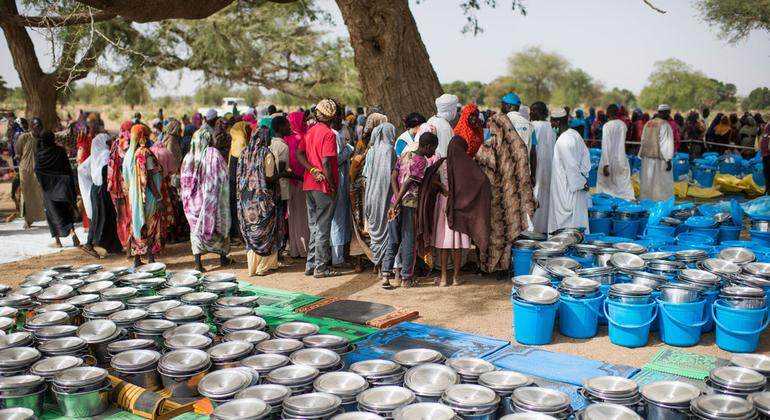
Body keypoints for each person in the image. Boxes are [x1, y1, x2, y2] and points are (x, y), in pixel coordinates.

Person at [424, 135, 491, 287]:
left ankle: (442, 279)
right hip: (460, 206)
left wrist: (442, 187)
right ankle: (455, 278)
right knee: (457, 243)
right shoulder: (466, 164)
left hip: (443, 204)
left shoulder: (441, 163)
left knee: (444, 243)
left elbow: (429, 177)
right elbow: (481, 180)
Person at [476, 113, 536, 278]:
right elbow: (525, 175)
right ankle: (505, 266)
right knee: (510, 232)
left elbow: (483, 172)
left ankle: (489, 265)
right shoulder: (520, 146)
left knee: (493, 232)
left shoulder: (489, 147)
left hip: (493, 199)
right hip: (513, 198)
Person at [383, 132, 438, 288]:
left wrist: (395, 200)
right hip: (408, 205)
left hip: (395, 202)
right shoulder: (421, 162)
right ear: (428, 146)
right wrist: (398, 203)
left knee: (393, 240)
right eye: (433, 148)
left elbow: (393, 178)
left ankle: (386, 275)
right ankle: (406, 278)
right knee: (408, 241)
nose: (433, 153)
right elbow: (408, 184)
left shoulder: (405, 155)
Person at [297, 99, 342, 278]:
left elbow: (300, 154)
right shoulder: (328, 134)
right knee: (323, 228)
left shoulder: (311, 131)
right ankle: (321, 267)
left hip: (309, 183)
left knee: (315, 226)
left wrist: (311, 170)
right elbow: (326, 162)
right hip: (323, 186)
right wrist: (332, 185)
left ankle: (311, 264)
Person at [181, 126, 232, 272]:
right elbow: (223, 174)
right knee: (218, 225)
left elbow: (184, 183)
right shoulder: (214, 154)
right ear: (208, 139)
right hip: (211, 201)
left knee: (195, 231)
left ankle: (198, 264)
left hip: (192, 203)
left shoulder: (187, 158)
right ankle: (223, 258)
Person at [238, 125, 281, 276]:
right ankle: (264, 266)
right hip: (262, 201)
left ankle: (253, 266)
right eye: (268, 136)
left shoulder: (243, 153)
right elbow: (268, 179)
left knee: (252, 230)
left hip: (246, 201)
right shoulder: (266, 154)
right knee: (265, 231)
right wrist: (282, 174)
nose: (269, 139)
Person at [350, 111, 387, 265]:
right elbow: (355, 167)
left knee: (367, 221)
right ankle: (362, 258)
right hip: (363, 189)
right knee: (363, 222)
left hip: (365, 187)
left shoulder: (370, 143)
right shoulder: (365, 144)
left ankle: (370, 259)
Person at [123, 124, 164, 266]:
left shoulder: (129, 154)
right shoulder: (145, 153)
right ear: (143, 137)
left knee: (137, 226)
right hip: (148, 196)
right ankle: (151, 258)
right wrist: (158, 197)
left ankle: (137, 259)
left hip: (134, 198)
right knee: (151, 225)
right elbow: (150, 178)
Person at [548, 108, 591, 233]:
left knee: (565, 223)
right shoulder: (574, 134)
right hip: (576, 183)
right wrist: (583, 175)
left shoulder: (563, 141)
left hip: (567, 188)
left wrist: (580, 183)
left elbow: (570, 166)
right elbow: (585, 156)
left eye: (551, 122)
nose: (551, 125)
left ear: (556, 122)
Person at [35, 129, 81, 248]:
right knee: (66, 212)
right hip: (63, 187)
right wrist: (71, 186)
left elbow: (38, 171)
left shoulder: (40, 154)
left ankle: (57, 241)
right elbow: (68, 169)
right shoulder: (60, 151)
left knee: (52, 215)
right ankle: (72, 232)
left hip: (49, 189)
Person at [77, 133, 120, 257]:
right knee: (101, 218)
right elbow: (105, 172)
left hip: (96, 190)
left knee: (105, 217)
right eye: (107, 142)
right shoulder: (105, 154)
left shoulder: (94, 156)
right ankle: (90, 243)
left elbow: (81, 169)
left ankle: (113, 245)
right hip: (104, 191)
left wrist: (91, 182)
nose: (109, 144)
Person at [364, 123, 397, 271]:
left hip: (371, 195)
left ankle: (376, 263)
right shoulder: (389, 151)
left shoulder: (373, 150)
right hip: (384, 195)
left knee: (375, 230)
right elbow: (390, 175)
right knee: (385, 229)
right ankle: (383, 265)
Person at [286, 111, 310, 259]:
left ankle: (294, 249)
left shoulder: (286, 138)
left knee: (293, 214)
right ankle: (305, 249)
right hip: (302, 180)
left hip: (289, 181)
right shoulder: (302, 138)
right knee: (303, 215)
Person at [597, 104, 634, 201]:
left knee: (605, 187)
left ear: (608, 113)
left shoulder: (607, 126)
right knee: (623, 185)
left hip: (608, 159)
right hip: (621, 158)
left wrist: (605, 164)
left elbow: (605, 145)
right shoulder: (623, 125)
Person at [14, 117, 46, 228]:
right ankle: (28, 220)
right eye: (37, 127)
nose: (39, 129)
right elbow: (18, 155)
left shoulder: (43, 138)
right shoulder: (23, 137)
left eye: (40, 127)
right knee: (26, 195)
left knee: (41, 193)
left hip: (39, 170)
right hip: (26, 171)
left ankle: (44, 216)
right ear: (32, 126)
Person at [331, 115, 354, 267]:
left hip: (338, 180)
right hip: (337, 180)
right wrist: (349, 149)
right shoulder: (334, 135)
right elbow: (336, 160)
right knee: (337, 220)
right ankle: (337, 258)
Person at [639, 104, 675, 201]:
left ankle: (647, 203)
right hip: (660, 159)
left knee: (648, 183)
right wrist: (668, 160)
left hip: (647, 159)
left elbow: (642, 140)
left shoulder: (648, 123)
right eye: (668, 113)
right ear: (664, 112)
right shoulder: (665, 125)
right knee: (661, 184)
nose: (669, 115)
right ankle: (661, 204)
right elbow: (666, 143)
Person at [530, 102, 556, 234]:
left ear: (537, 111)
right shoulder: (551, 127)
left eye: (532, 110)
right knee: (546, 197)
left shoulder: (533, 126)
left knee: (535, 195)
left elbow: (532, 151)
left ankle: (533, 229)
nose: (530, 113)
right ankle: (545, 228)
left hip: (537, 167)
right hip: (550, 168)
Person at [269, 116, 293, 259]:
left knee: (274, 218)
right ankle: (279, 251)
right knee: (280, 219)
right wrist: (298, 177)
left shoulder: (270, 143)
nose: (290, 128)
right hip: (282, 187)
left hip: (271, 187)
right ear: (280, 128)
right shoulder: (283, 147)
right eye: (287, 126)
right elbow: (282, 170)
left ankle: (275, 250)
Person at [499, 93, 537, 179]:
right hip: (523, 173)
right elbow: (533, 153)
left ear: (508, 106)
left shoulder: (498, 123)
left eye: (503, 105)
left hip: (504, 173)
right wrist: (533, 176)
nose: (501, 107)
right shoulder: (530, 125)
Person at [108, 121, 133, 250]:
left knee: (122, 217)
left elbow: (111, 165)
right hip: (129, 186)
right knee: (132, 215)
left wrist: (111, 184)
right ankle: (132, 247)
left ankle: (127, 246)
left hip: (116, 188)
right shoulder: (130, 143)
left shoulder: (115, 144)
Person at [760, 124, 770, 195]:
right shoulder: (767, 126)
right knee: (767, 173)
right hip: (765, 154)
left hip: (768, 154)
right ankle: (768, 191)